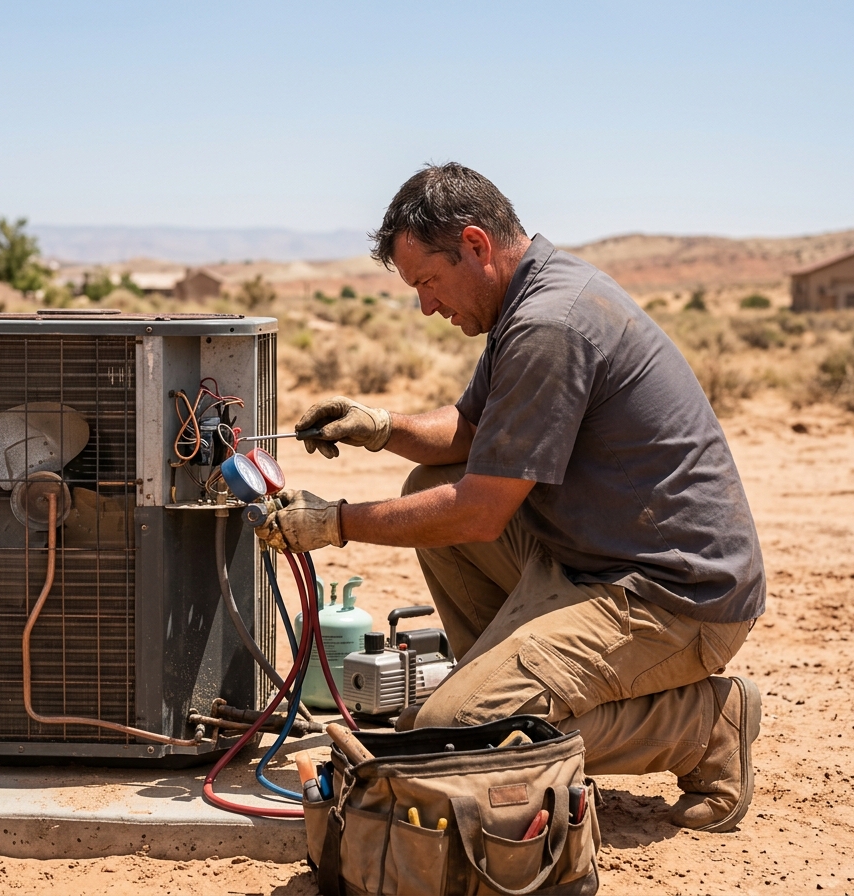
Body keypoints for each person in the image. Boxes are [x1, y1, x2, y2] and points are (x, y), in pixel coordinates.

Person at [256, 163, 765, 833]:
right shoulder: (532, 300)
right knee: (428, 487)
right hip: (597, 564)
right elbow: (468, 434)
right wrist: (382, 429)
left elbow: (480, 510)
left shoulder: (550, 323)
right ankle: (513, 692)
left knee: (453, 731)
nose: (427, 306)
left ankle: (703, 724)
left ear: (475, 244)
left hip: (673, 597)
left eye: (428, 283)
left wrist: (335, 523)